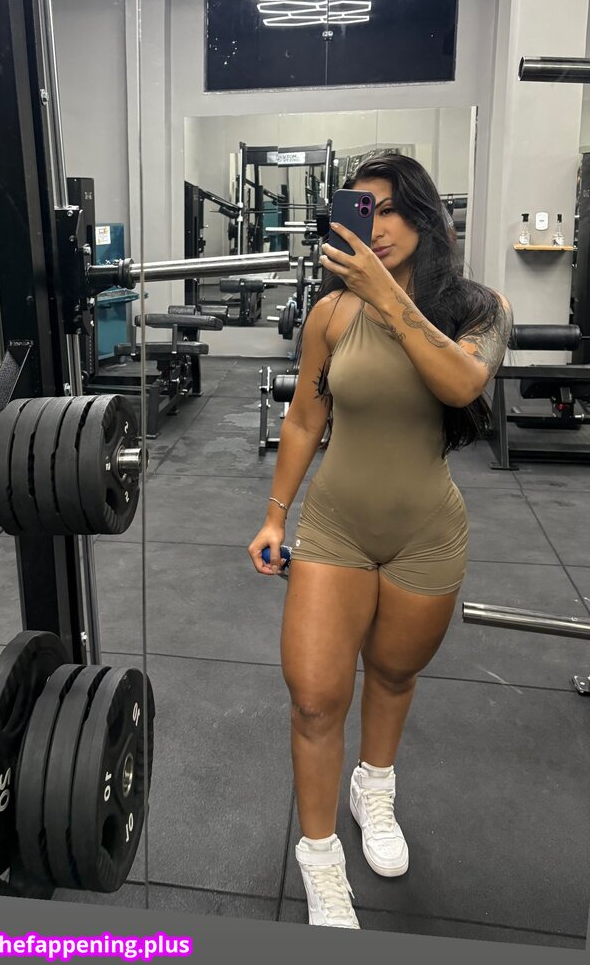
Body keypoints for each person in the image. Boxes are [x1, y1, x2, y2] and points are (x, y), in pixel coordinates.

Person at [247, 155, 513, 930]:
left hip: (426, 535)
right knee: (313, 700)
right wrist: (275, 515)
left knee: (393, 676)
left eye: (390, 208)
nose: (378, 225)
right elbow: (305, 417)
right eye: (362, 210)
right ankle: (321, 859)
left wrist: (387, 296)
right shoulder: (331, 315)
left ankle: (375, 787)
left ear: (425, 218)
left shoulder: (482, 309)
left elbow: (462, 384)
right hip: (336, 528)